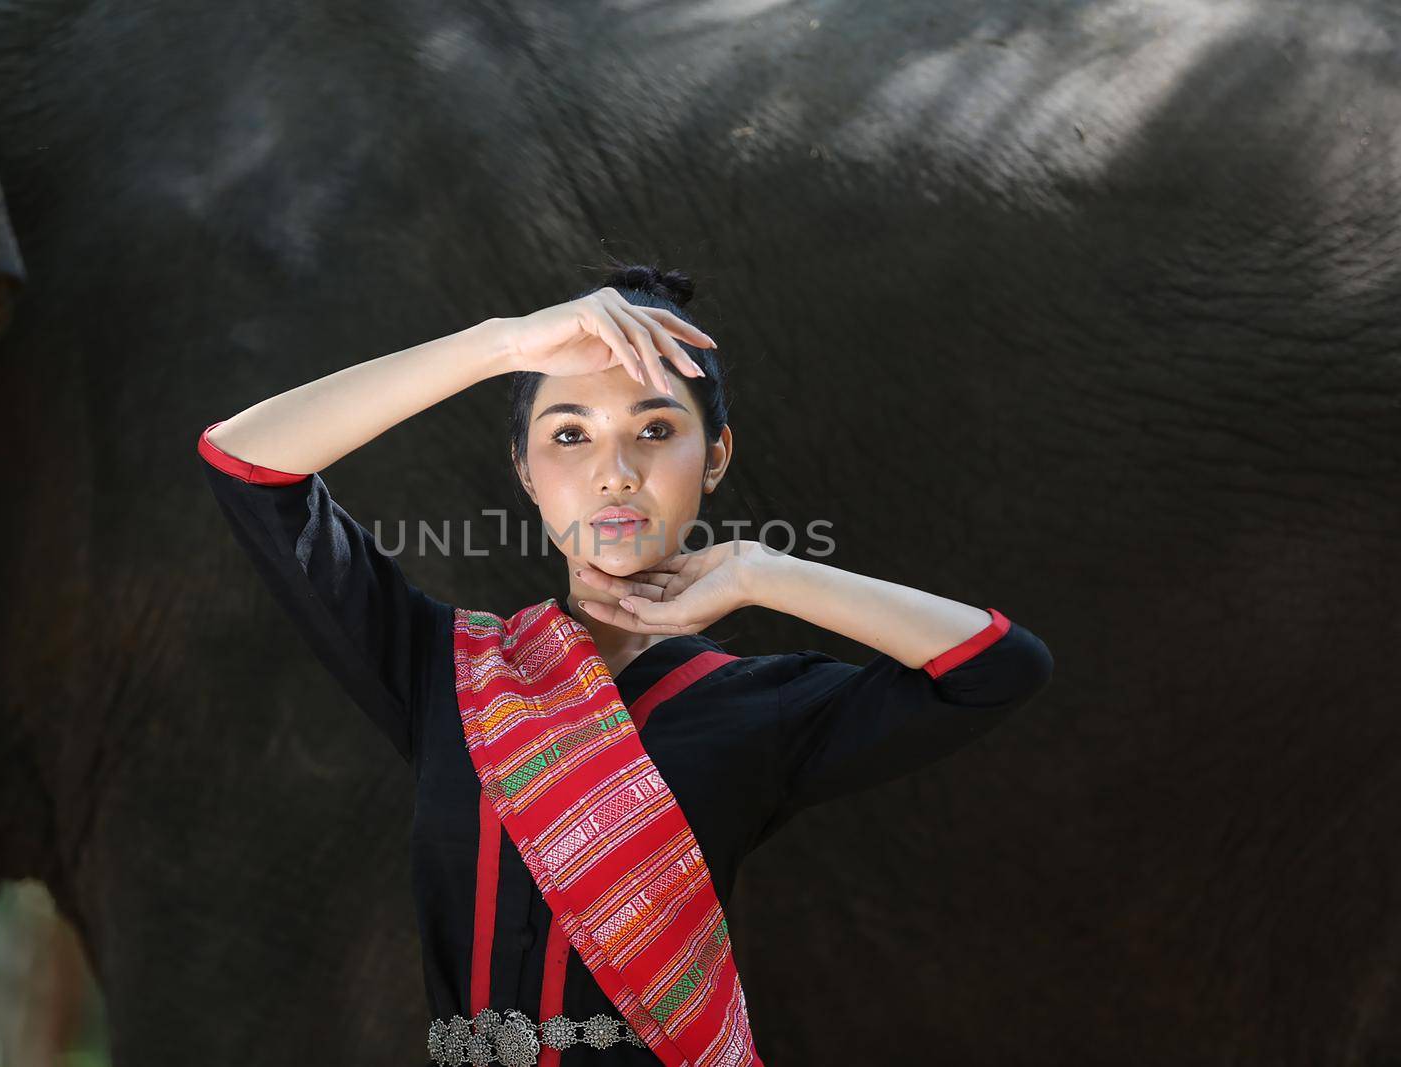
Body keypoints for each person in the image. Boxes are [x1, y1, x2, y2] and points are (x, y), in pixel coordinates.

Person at [196, 264, 1054, 1067]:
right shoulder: (448, 672)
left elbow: (1000, 665)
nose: (615, 473)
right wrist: (504, 343)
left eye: (655, 429)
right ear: (525, 472)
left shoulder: (761, 706)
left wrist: (763, 570)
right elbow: (248, 460)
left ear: (715, 456)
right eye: (569, 434)